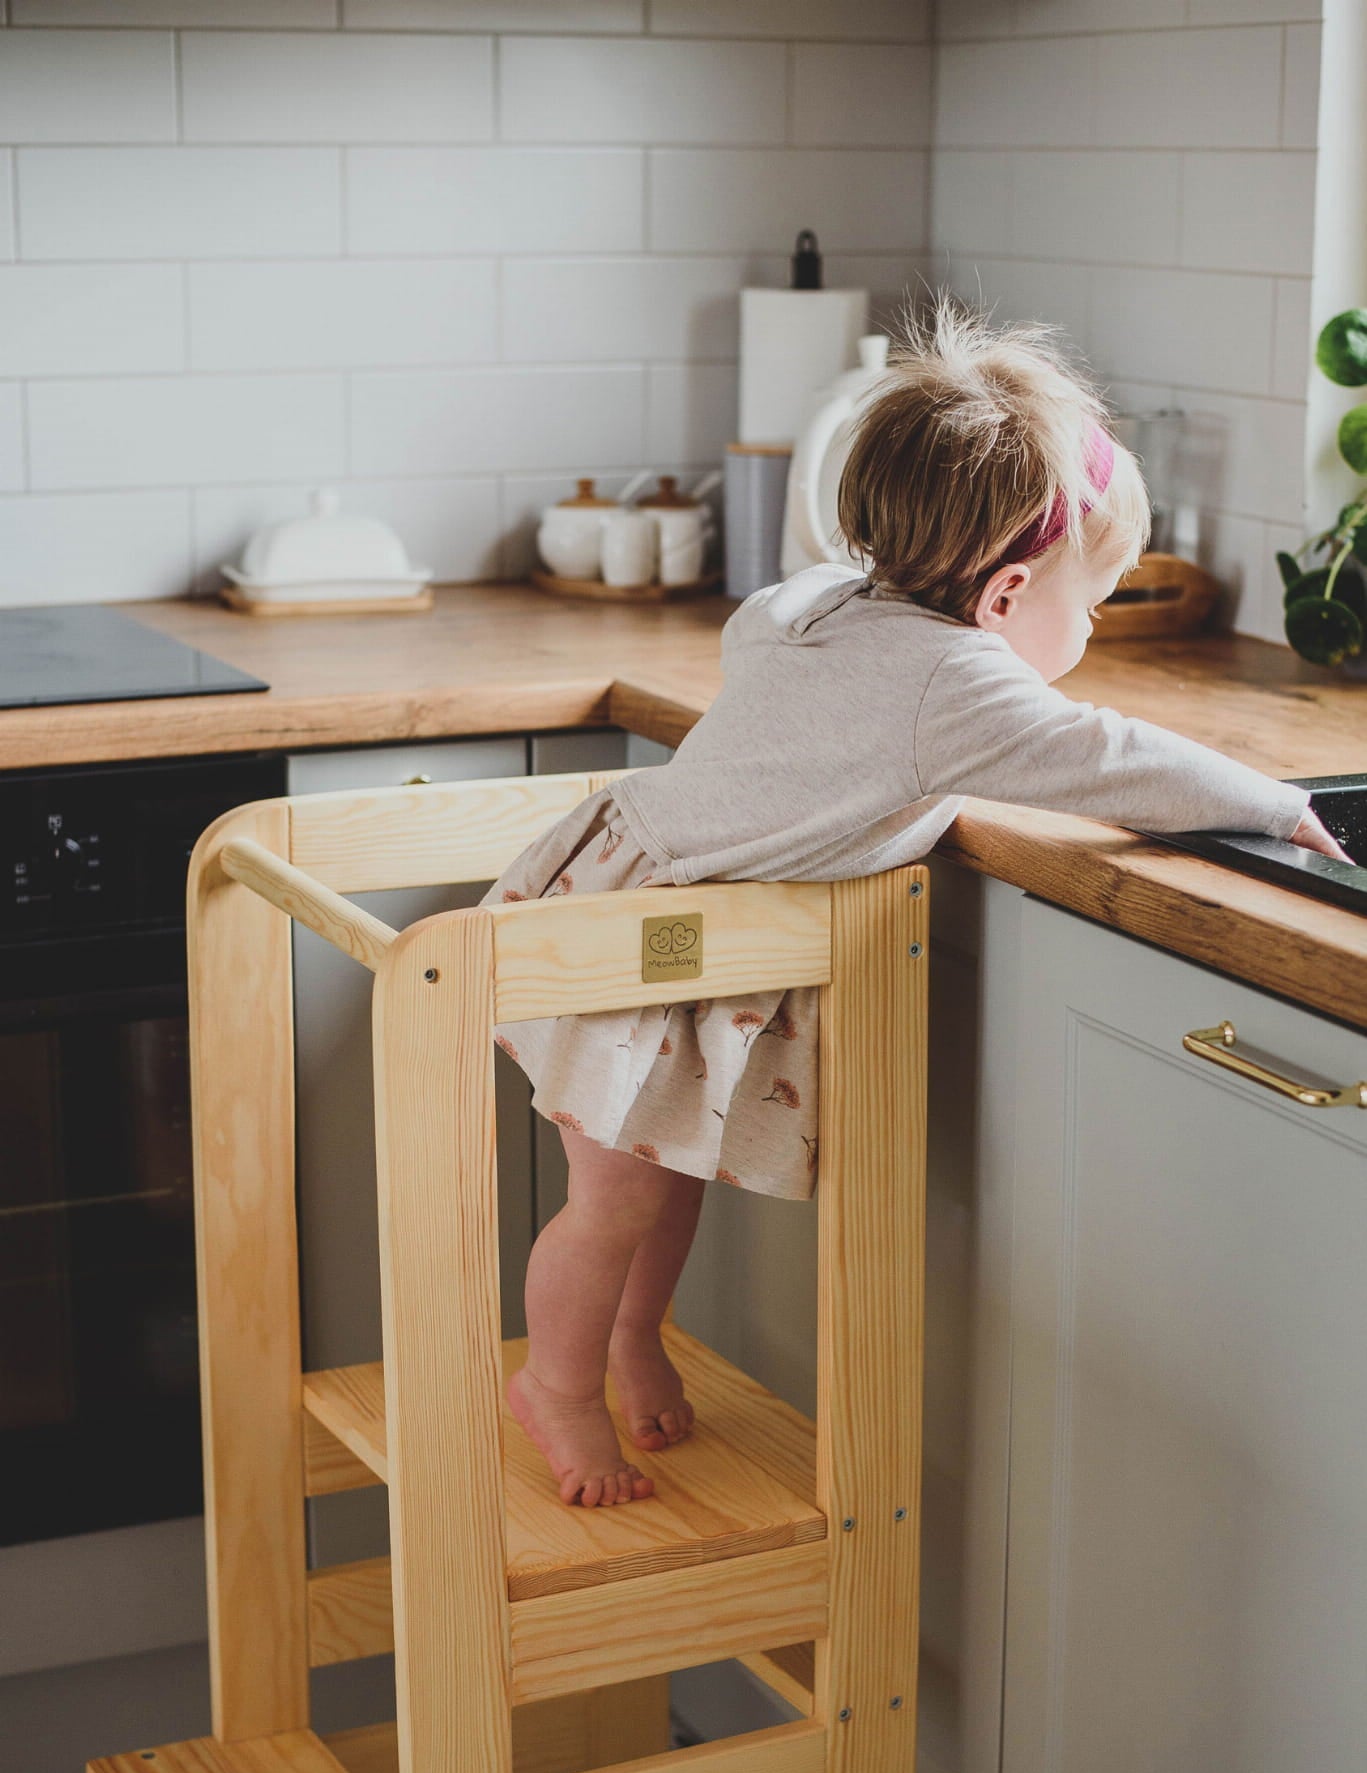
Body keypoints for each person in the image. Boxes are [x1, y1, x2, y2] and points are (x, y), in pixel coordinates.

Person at [484, 298, 1349, 1510]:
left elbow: (772, 638)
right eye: (1086, 602)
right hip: (655, 936)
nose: (1090, 628)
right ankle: (557, 1385)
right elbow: (1107, 755)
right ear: (1001, 597)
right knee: (617, 1194)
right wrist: (1273, 803)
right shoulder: (955, 683)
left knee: (655, 1173)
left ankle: (627, 1344)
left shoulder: (824, 603)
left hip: (634, 888)